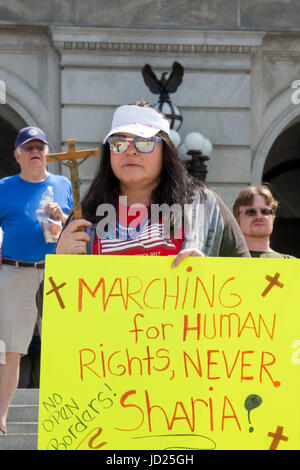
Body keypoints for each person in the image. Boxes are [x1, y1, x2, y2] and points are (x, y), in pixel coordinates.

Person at [53, 102, 250, 263]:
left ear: (166, 152)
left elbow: (249, 282)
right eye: (119, 143)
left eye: (144, 142)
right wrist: (60, 262)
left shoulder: (205, 206)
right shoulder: (83, 219)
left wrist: (211, 276)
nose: (130, 151)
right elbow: (47, 305)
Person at [0, 126, 73, 434]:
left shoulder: (63, 183)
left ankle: (68, 415)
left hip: (57, 272)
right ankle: (0, 416)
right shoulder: (4, 186)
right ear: (17, 155)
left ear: (47, 153)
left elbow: (78, 226)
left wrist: (63, 218)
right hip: (14, 271)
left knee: (63, 348)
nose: (35, 151)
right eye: (28, 147)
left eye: (40, 147)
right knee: (8, 350)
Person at [232, 185, 295, 258]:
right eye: (251, 212)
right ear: (237, 220)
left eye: (265, 211)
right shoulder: (224, 261)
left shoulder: (292, 264)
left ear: (272, 218)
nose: (259, 216)